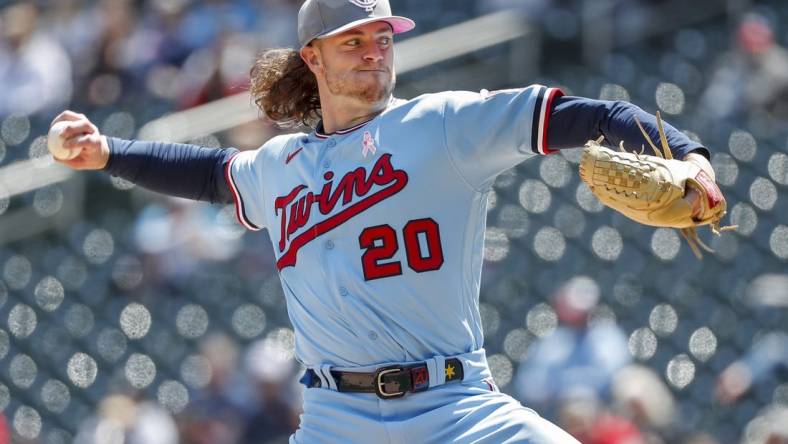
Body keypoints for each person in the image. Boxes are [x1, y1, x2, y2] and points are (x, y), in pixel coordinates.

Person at [49, 0, 717, 441]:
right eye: (353, 41)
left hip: (458, 409)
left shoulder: (446, 123)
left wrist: (688, 154)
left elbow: (582, 116)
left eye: (381, 37)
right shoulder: (281, 165)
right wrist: (107, 152)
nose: (373, 51)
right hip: (336, 420)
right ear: (313, 56)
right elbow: (207, 173)